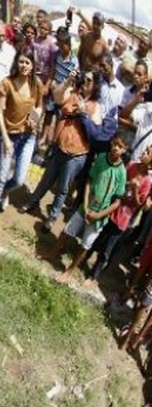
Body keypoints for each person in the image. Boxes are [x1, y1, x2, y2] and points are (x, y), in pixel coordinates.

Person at [19, 69, 102, 232]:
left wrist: (84, 112)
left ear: (95, 86)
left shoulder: (95, 106)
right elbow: (57, 98)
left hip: (76, 155)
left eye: (89, 81)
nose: (85, 82)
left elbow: (95, 134)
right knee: (46, 179)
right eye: (84, 79)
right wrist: (67, 82)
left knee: (63, 189)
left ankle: (52, 218)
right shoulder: (72, 94)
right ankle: (32, 202)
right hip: (59, 148)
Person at [43, 134, 127, 283]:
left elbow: (116, 203)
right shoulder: (101, 157)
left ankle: (70, 271)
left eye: (120, 146)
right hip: (85, 208)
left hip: (99, 217)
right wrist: (86, 204)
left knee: (85, 245)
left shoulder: (121, 172)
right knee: (67, 231)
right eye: (115, 144)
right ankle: (53, 252)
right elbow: (89, 180)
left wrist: (98, 215)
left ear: (124, 150)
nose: (115, 148)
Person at [0, 49, 43, 232]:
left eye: (27, 62)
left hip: (28, 136)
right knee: (2, 175)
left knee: (18, 179)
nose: (24, 65)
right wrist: (6, 139)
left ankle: (4, 193)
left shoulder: (37, 84)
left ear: (33, 65)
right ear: (17, 63)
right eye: (21, 62)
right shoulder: (7, 84)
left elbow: (39, 107)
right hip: (8, 134)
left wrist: (35, 118)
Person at [84, 144, 152, 284]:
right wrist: (129, 184)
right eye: (145, 150)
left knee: (107, 249)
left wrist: (135, 190)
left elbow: (140, 204)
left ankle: (93, 275)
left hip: (123, 219)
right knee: (98, 238)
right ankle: (83, 258)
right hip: (111, 210)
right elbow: (119, 183)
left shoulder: (147, 181)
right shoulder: (132, 165)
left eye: (147, 152)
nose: (143, 153)